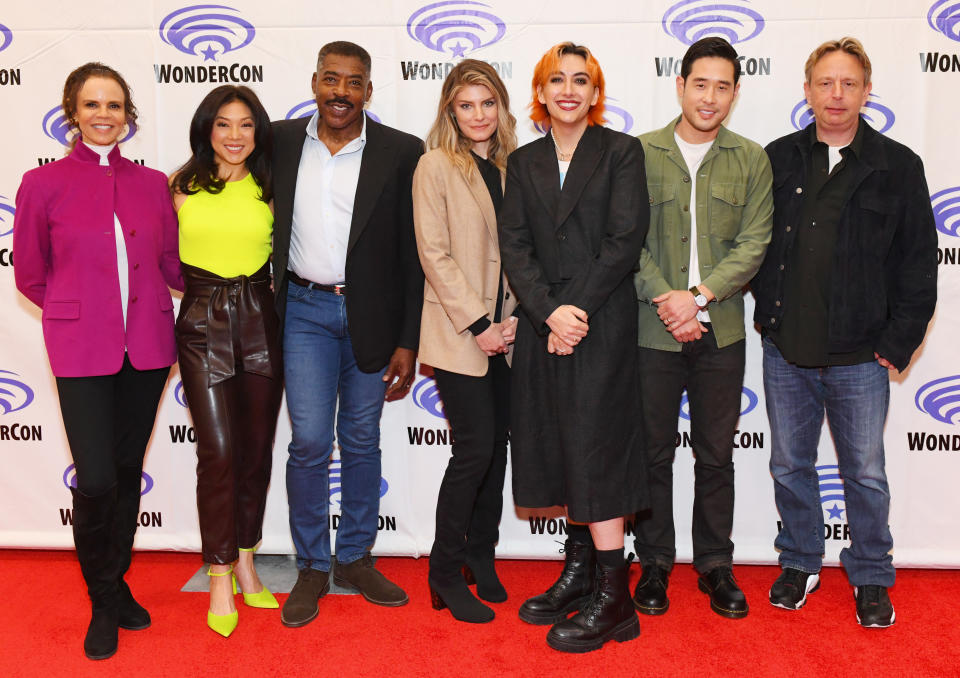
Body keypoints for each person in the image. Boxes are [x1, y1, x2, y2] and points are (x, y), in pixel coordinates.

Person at [752, 37, 937, 628]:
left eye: (848, 83)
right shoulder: (776, 159)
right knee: (788, 464)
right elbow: (749, 248)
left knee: (864, 471)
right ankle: (800, 560)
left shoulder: (898, 166)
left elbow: (918, 264)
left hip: (862, 354)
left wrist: (896, 342)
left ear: (866, 90)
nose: (836, 95)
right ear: (806, 90)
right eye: (825, 83)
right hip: (787, 348)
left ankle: (872, 574)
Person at [13, 62, 182, 660]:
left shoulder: (152, 183)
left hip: (149, 348)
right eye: (92, 105)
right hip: (81, 350)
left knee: (128, 471)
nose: (103, 115)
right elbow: (31, 276)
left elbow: (170, 265)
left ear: (128, 117)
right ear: (72, 113)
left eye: (114, 105)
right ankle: (102, 597)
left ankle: (116, 581)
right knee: (98, 478)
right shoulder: (42, 184)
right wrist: (78, 312)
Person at [499, 42, 649, 652]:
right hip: (544, 326)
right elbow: (514, 244)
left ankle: (616, 600)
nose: (568, 89)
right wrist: (547, 311)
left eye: (580, 81)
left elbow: (624, 238)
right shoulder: (525, 160)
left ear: (595, 93)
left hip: (600, 324)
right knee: (560, 444)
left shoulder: (621, 152)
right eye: (556, 80)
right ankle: (582, 572)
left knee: (598, 449)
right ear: (540, 92)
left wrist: (575, 310)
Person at [270, 41, 424, 627]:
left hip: (373, 317)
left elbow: (413, 255)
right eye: (331, 80)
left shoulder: (401, 152)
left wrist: (409, 340)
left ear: (368, 90)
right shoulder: (280, 142)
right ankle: (312, 564)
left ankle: (355, 557)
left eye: (353, 82)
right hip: (303, 311)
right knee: (309, 441)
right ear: (314, 82)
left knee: (360, 439)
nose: (341, 92)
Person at [632, 37, 772, 620]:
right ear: (680, 85)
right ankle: (656, 563)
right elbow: (626, 241)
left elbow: (755, 243)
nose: (710, 97)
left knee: (716, 455)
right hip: (651, 330)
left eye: (722, 86)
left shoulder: (752, 158)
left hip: (722, 333)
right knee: (653, 455)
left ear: (735, 93)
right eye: (700, 83)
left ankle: (715, 564)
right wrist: (669, 302)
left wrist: (698, 298)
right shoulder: (637, 152)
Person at [170, 85, 284, 638]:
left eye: (245, 124)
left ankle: (245, 557)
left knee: (256, 447)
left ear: (257, 131)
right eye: (223, 124)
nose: (234, 135)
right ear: (206, 130)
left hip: (261, 320)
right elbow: (165, 260)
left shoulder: (271, 186)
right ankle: (218, 573)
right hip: (199, 323)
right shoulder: (180, 187)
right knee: (216, 449)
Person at [413, 60, 519, 624]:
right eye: (465, 105)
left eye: (487, 103)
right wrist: (480, 326)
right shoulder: (436, 166)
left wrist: (513, 323)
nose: (478, 115)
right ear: (451, 111)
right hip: (463, 334)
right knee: (474, 450)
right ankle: (444, 571)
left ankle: (482, 552)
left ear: (501, 107)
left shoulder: (512, 167)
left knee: (496, 451)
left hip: (510, 335)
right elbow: (435, 254)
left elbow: (521, 257)